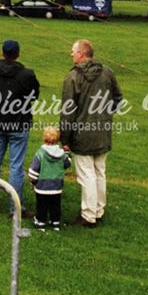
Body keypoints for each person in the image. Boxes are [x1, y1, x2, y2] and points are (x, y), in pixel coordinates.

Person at [60, 39, 123, 227]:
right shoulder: (107, 72)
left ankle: (89, 215)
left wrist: (65, 138)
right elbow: (118, 98)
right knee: (99, 171)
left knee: (87, 173)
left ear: (81, 54)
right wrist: (104, 115)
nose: (71, 54)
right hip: (102, 131)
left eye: (73, 51)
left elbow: (67, 111)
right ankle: (98, 209)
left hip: (83, 133)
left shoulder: (73, 77)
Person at [0, 40, 40, 216]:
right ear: (18, 54)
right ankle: (14, 206)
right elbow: (34, 94)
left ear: (2, 53)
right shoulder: (26, 74)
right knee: (16, 166)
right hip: (18, 122)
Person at [27, 126, 71, 231]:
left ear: (44, 138)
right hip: (57, 185)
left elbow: (34, 170)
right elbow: (67, 164)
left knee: (41, 205)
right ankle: (55, 222)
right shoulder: (61, 154)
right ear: (57, 139)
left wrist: (33, 181)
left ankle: (40, 222)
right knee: (55, 205)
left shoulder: (40, 153)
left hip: (42, 186)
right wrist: (67, 153)